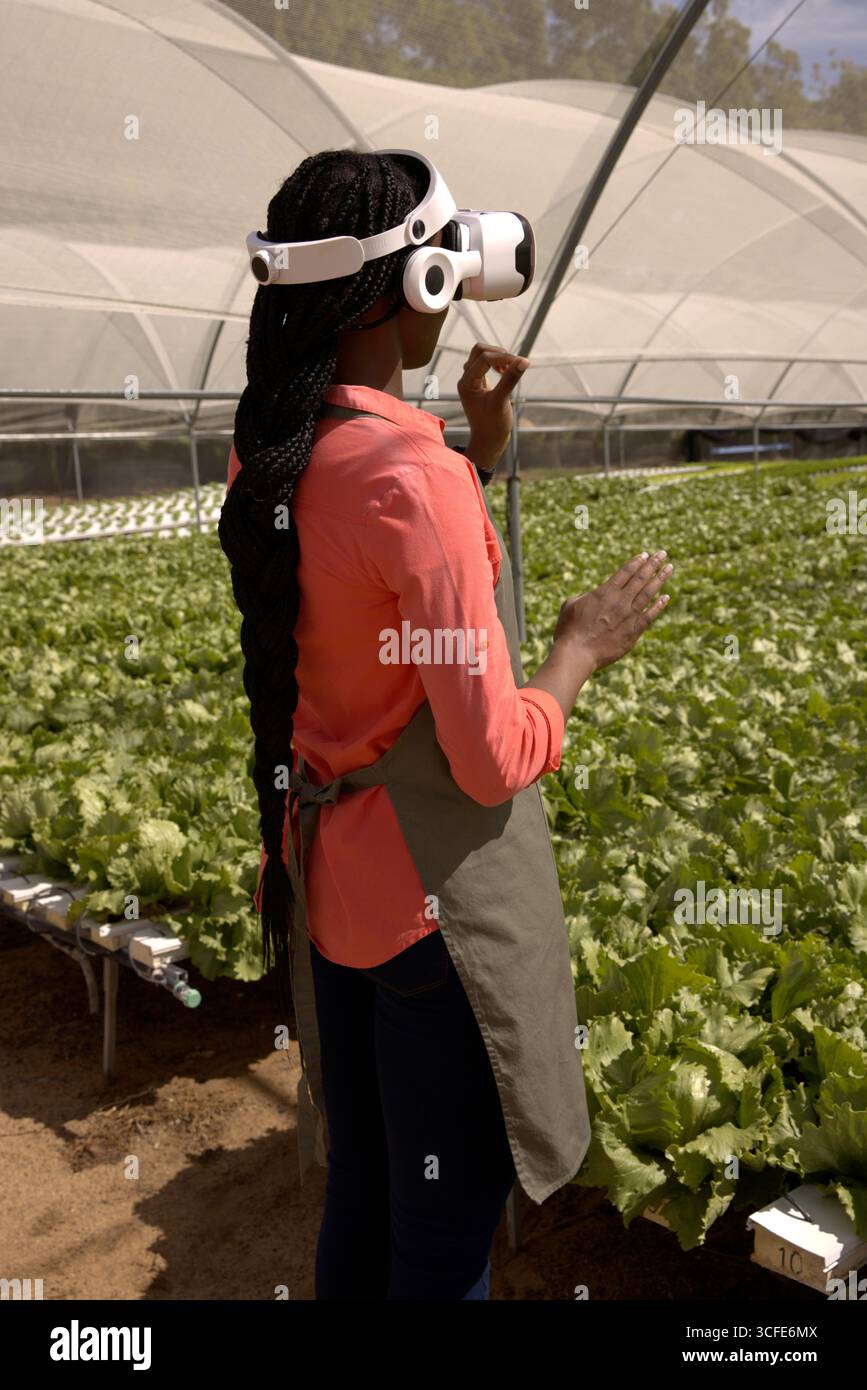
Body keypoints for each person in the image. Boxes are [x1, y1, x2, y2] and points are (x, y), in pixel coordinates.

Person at [219, 149, 672, 1301]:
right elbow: (488, 761)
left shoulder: (272, 456)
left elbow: (378, 588)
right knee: (442, 1247)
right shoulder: (407, 482)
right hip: (434, 928)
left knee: (368, 1194)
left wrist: (481, 443)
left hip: (337, 895)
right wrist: (577, 652)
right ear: (419, 287)